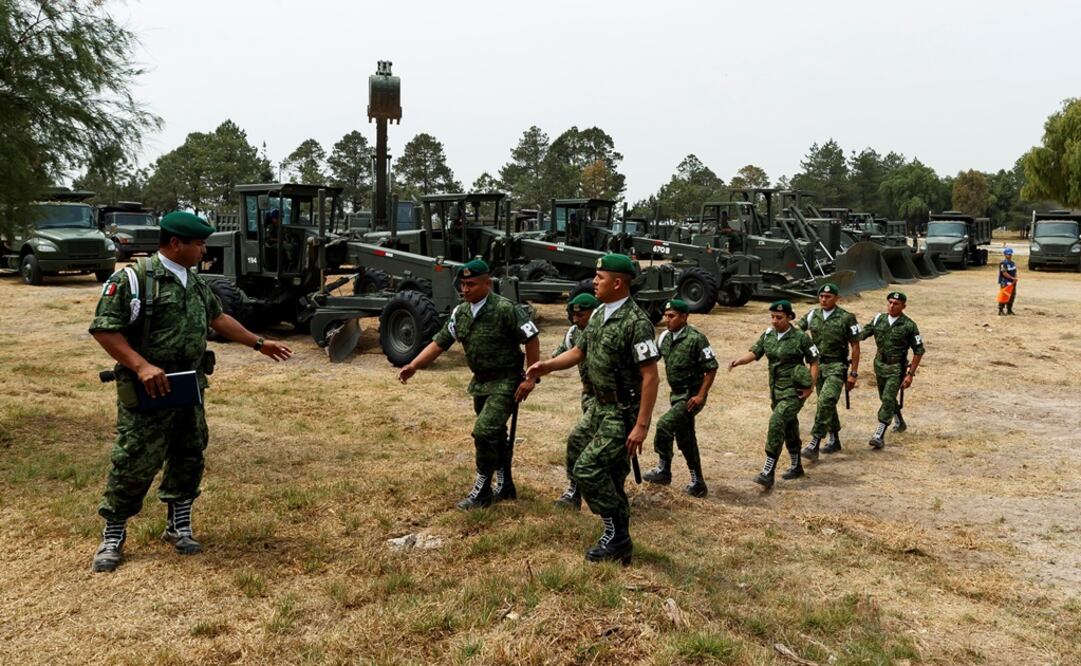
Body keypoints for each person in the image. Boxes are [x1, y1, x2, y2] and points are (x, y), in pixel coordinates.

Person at [89, 211, 293, 573]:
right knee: (134, 461)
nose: (203, 250)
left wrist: (258, 343)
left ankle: (178, 526)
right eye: (198, 244)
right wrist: (141, 365)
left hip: (188, 386)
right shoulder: (135, 279)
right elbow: (105, 329)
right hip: (147, 389)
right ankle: (114, 534)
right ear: (175, 243)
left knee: (189, 454)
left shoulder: (196, 283)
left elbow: (218, 318)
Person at [528, 254, 660, 564]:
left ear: (617, 283)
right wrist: (545, 366)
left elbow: (651, 376)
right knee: (585, 452)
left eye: (599, 277)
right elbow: (578, 351)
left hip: (621, 411)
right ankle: (618, 539)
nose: (594, 282)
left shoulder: (636, 322)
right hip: (599, 407)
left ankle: (617, 535)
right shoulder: (600, 314)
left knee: (588, 469)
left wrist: (641, 426)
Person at [398, 258, 540, 509]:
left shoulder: (505, 308)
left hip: (506, 381)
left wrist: (531, 377)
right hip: (481, 383)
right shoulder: (460, 312)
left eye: (471, 284)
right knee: (496, 434)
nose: (465, 290)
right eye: (462, 284)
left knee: (484, 431)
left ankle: (483, 488)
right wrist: (414, 365)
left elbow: (531, 337)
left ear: (487, 283)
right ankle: (506, 485)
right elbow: (440, 342)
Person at [727, 300, 819, 489]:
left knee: (777, 422)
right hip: (776, 392)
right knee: (789, 425)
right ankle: (796, 466)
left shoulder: (800, 337)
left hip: (794, 391)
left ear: (789, 318)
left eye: (779, 317)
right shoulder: (768, 334)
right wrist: (739, 361)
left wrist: (810, 387)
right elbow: (755, 352)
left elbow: (814, 361)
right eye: (772, 317)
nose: (774, 321)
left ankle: (768, 471)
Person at [641, 298, 719, 497]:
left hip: (691, 397)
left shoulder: (696, 339)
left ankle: (663, 469)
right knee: (685, 437)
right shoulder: (665, 338)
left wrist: (701, 395)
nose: (667, 320)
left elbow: (711, 368)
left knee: (665, 425)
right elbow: (652, 359)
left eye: (671, 316)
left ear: (684, 317)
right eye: (666, 316)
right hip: (676, 396)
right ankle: (698, 482)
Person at [796, 283, 861, 460]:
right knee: (828, 404)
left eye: (828, 297)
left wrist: (853, 374)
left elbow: (855, 346)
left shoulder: (847, 318)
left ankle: (815, 441)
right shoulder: (812, 315)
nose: (824, 300)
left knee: (826, 400)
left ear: (836, 298)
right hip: (817, 367)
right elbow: (795, 331)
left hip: (837, 366)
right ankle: (835, 440)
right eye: (821, 296)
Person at [552, 292, 601, 509]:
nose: (575, 319)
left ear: (593, 313)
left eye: (580, 315)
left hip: (612, 399)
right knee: (585, 442)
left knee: (585, 441)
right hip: (589, 396)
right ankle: (575, 490)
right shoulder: (574, 333)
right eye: (573, 315)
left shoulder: (605, 331)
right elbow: (561, 355)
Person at [859, 291, 925, 448]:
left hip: (897, 368)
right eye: (889, 302)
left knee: (888, 398)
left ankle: (879, 434)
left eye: (896, 303)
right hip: (879, 365)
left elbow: (919, 350)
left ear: (903, 306)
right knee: (885, 398)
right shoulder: (878, 319)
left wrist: (910, 374)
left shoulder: (909, 325)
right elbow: (862, 335)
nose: (892, 306)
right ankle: (900, 421)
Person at [998, 247, 1018, 316]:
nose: (1009, 256)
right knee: (1004, 296)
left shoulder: (1013, 263)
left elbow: (1015, 272)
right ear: (1005, 254)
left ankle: (1009, 310)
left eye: (1010, 254)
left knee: (1012, 296)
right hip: (1005, 282)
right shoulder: (1003, 263)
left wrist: (1015, 278)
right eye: (1008, 254)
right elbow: (1004, 273)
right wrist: (1012, 278)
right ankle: (1000, 310)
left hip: (1012, 283)